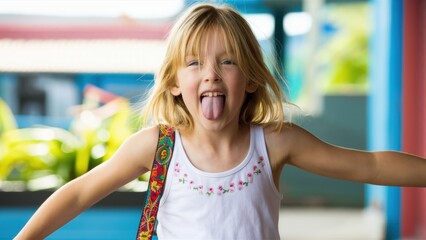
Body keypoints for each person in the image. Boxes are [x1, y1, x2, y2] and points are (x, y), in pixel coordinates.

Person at [15, 3, 426, 240]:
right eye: (194, 64)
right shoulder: (159, 147)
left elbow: (369, 165)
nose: (210, 74)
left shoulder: (274, 143)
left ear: (248, 79)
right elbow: (77, 194)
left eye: (226, 61)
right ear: (175, 84)